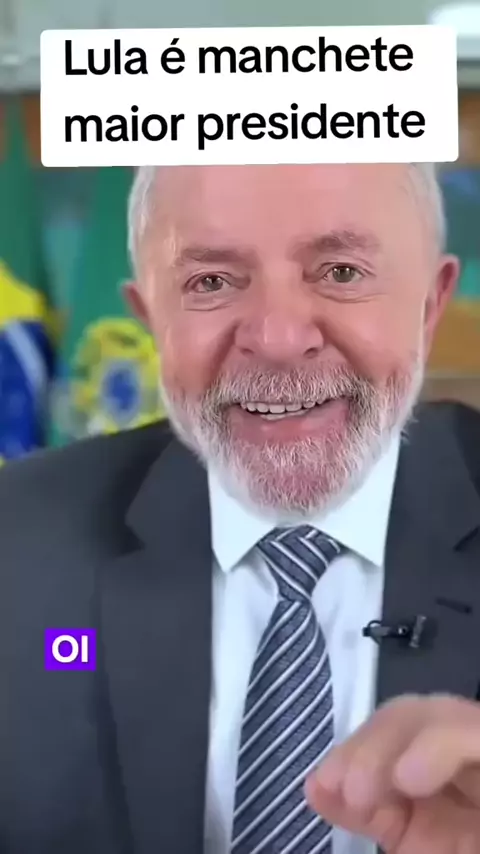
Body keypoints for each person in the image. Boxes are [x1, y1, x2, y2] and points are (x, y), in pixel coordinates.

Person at [1, 162, 480, 854]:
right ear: (149, 317)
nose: (279, 340)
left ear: (429, 306)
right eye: (211, 282)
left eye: (341, 272)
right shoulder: (16, 546)